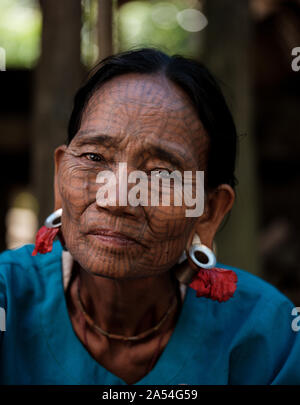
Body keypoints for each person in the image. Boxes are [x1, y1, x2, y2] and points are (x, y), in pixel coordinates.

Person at [1, 48, 300, 385]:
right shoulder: (8, 299)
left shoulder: (265, 332)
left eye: (161, 175)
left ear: (209, 210)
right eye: (94, 157)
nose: (116, 200)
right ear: (60, 176)